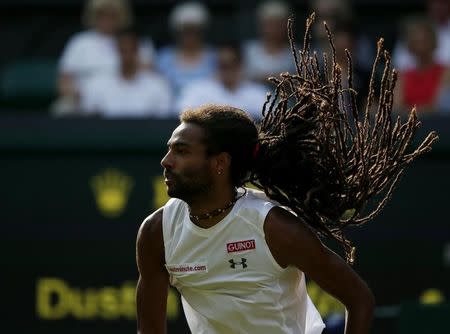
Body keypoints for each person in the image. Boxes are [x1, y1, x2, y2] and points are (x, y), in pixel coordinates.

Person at [135, 15, 438, 334]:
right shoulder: (157, 233)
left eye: (181, 151)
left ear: (220, 163)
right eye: (170, 149)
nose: (166, 161)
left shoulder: (274, 227)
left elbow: (359, 299)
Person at [53, 0, 155, 115]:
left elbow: (149, 75)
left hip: (132, 99)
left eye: (112, 14)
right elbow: (64, 80)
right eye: (102, 14)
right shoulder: (80, 42)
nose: (107, 19)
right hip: (83, 102)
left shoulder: (137, 41)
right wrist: (80, 96)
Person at [80, 28, 172, 118]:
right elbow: (89, 120)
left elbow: (162, 121)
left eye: (131, 49)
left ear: (138, 50)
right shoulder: (97, 83)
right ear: (116, 50)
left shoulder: (158, 84)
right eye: (123, 49)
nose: (127, 54)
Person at [176, 43, 268, 119]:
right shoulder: (197, 90)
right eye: (223, 65)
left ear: (240, 65)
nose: (227, 69)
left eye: (232, 64)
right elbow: (182, 116)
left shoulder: (258, 93)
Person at [156, 2, 216, 97]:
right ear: (177, 32)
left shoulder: (214, 57)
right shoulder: (164, 57)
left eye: (194, 31)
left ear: (202, 32)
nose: (190, 36)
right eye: (185, 31)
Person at [393, 16, 450, 113]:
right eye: (416, 42)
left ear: (433, 42)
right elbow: (396, 107)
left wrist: (409, 113)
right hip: (408, 125)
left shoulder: (445, 72)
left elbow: (438, 106)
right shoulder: (403, 76)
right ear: (410, 45)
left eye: (424, 41)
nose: (420, 47)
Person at [243, 1, 296, 83]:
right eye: (270, 24)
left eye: (278, 24)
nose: (274, 29)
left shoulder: (295, 54)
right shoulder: (248, 51)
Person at [393, 0, 450, 71]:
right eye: (434, 2)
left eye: (443, 2)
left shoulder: (445, 71)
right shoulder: (411, 29)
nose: (438, 6)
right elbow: (399, 65)